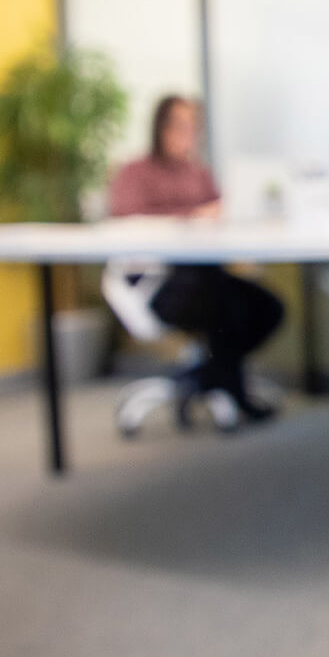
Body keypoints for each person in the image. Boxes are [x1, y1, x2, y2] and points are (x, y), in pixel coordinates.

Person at [108, 95, 285, 425]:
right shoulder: (135, 172)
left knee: (268, 308)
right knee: (229, 308)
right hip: (157, 283)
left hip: (206, 275)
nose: (186, 133)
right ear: (159, 127)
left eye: (193, 126)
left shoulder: (199, 173)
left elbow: (219, 218)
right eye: (178, 125)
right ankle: (232, 391)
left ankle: (205, 374)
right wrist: (192, 215)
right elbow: (126, 221)